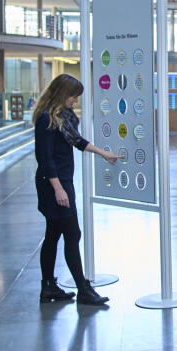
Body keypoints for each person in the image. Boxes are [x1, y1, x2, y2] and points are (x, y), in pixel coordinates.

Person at [33, 74, 122, 305]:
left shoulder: (64, 118)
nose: (75, 100)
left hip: (63, 181)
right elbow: (44, 158)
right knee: (72, 234)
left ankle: (48, 287)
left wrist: (104, 153)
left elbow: (78, 141)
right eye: (73, 96)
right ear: (62, 94)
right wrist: (58, 189)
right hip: (54, 184)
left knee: (53, 234)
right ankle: (82, 289)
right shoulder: (46, 119)